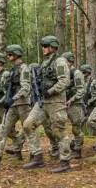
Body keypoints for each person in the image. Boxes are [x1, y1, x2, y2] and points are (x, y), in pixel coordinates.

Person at [0, 45, 41, 171]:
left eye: (10, 54)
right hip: (12, 105)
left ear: (17, 53)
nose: (7, 57)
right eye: (7, 55)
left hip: (23, 104)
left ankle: (36, 156)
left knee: (28, 129)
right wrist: (7, 99)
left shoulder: (24, 68)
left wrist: (12, 98)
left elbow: (26, 88)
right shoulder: (13, 70)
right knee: (2, 129)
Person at [22, 35, 72, 173]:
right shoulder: (44, 63)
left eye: (45, 46)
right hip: (43, 101)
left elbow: (64, 81)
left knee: (59, 131)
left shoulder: (60, 61)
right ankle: (37, 157)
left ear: (52, 47)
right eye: (42, 46)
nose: (43, 49)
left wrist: (50, 91)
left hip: (56, 101)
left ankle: (65, 161)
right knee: (27, 125)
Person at [62, 51, 85, 159]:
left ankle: (77, 149)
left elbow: (81, 90)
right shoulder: (64, 74)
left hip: (75, 104)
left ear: (70, 61)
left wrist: (71, 99)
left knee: (76, 128)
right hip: (64, 103)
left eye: (64, 61)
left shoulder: (77, 73)